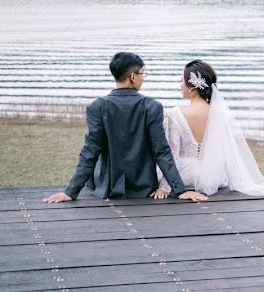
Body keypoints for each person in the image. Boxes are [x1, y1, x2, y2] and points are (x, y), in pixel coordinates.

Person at [43, 52, 207, 204]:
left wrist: (71, 192)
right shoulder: (152, 106)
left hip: (106, 187)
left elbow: (90, 151)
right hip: (143, 186)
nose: (143, 78)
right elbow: (161, 151)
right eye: (142, 73)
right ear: (133, 77)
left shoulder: (97, 106)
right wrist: (180, 191)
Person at [152, 59, 264, 198]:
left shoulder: (175, 114)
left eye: (181, 81)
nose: (180, 85)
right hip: (212, 176)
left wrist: (165, 187)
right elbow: (226, 150)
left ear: (192, 86)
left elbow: (172, 155)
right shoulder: (219, 113)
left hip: (184, 176)